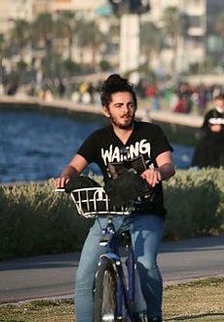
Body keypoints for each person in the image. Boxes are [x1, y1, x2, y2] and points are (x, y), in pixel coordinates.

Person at [52, 74, 175, 322]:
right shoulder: (98, 139)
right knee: (84, 278)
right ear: (106, 110)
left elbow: (168, 166)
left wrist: (156, 172)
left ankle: (154, 317)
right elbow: (74, 167)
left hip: (146, 213)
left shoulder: (151, 133)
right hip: (110, 213)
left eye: (130, 105)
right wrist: (64, 177)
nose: (126, 110)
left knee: (145, 265)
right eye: (118, 106)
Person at [192, 93, 224, 168]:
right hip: (211, 145)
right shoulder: (210, 114)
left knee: (223, 165)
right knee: (210, 164)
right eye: (218, 103)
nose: (220, 105)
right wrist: (211, 128)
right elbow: (203, 128)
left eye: (222, 103)